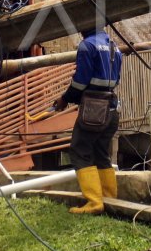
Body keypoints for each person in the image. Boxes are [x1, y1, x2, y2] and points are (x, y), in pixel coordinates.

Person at [52, 25, 122, 214]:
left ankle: (94, 202)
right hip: (113, 108)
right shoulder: (115, 47)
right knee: (101, 153)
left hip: (94, 110)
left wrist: (65, 99)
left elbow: (80, 82)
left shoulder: (87, 46)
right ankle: (109, 198)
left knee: (79, 150)